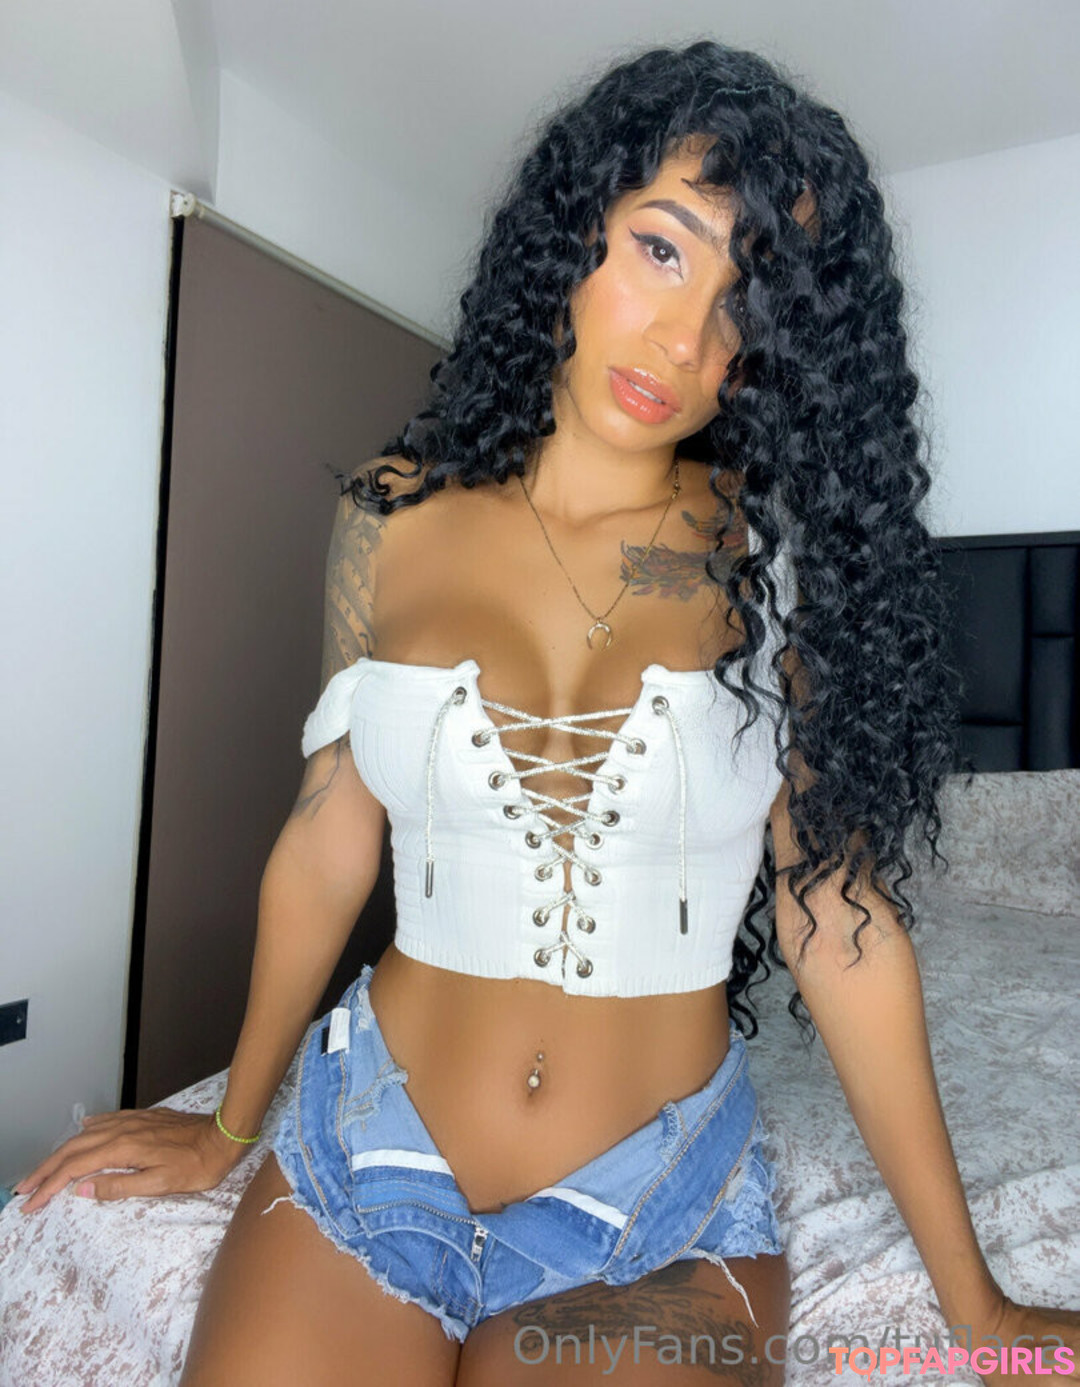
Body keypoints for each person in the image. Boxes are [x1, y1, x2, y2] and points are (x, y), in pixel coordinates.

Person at [12, 39, 1079, 1387]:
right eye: (662, 249)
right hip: (368, 1147)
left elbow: (838, 923)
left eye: (748, 307)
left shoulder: (773, 567)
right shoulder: (389, 514)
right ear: (578, 225)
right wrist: (229, 1126)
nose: (686, 341)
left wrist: (976, 1304)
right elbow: (329, 838)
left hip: (655, 1203)